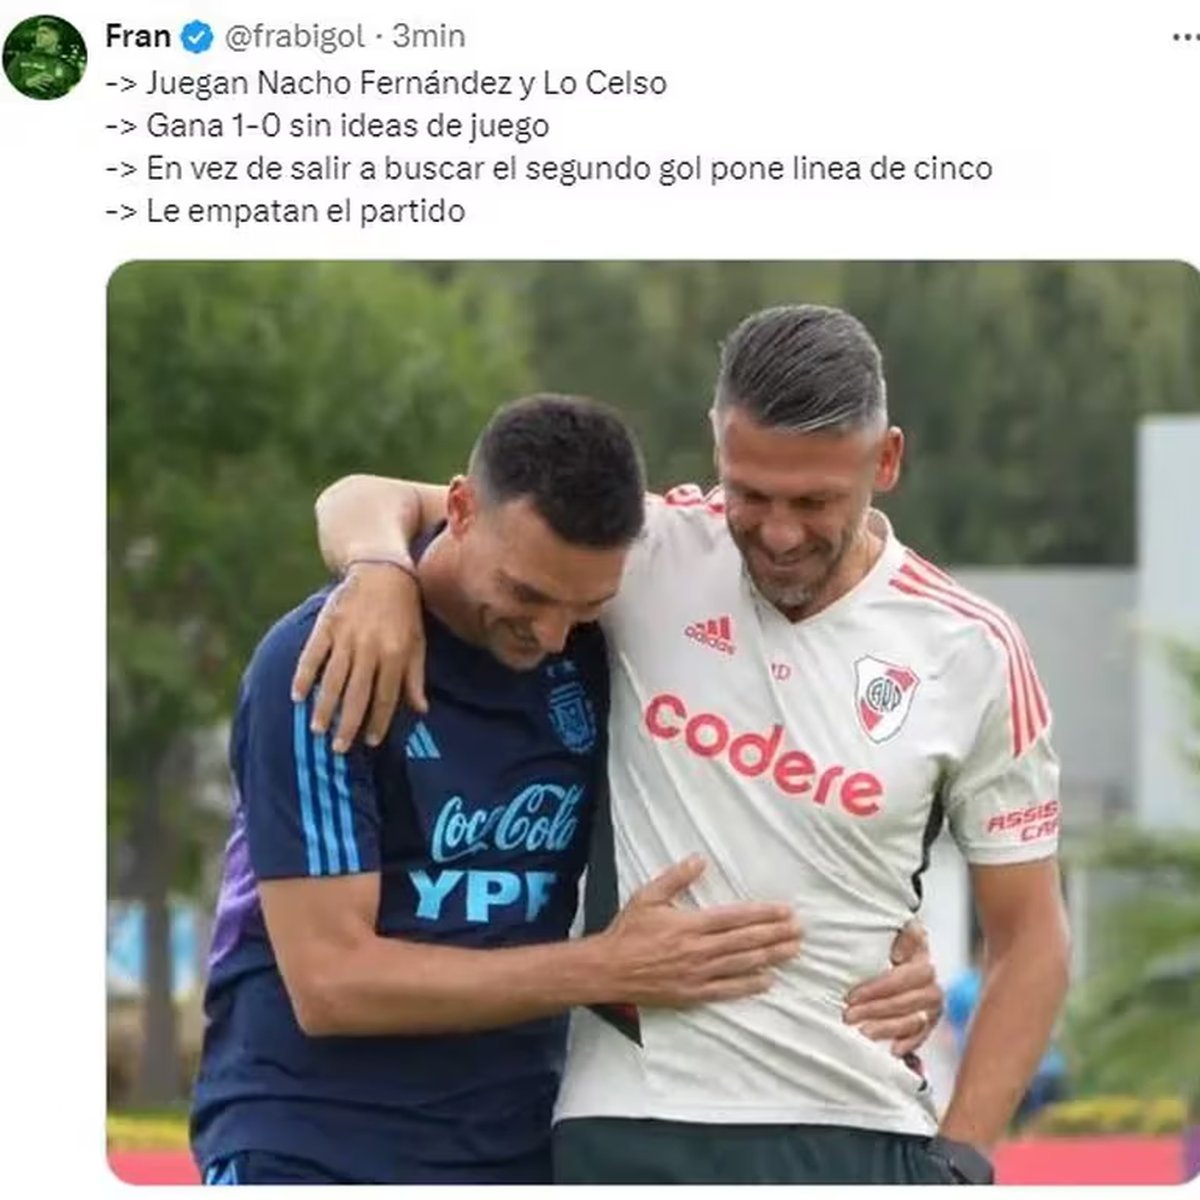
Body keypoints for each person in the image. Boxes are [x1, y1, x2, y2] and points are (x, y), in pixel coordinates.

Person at [296, 304, 1061, 1185]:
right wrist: (378, 572)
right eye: (751, 494)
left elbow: (1032, 937)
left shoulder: (972, 650)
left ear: (885, 461)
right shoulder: (647, 549)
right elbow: (366, 498)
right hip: (627, 1122)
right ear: (716, 443)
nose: (779, 532)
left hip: (857, 1124)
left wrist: (960, 1163)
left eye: (815, 502)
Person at [189, 394, 932, 1186]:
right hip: (308, 1143)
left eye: (586, 605)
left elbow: (751, 789)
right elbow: (332, 984)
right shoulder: (331, 657)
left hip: (524, 1146)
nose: (549, 635)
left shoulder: (598, 646)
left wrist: (873, 946)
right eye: (526, 595)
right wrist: (606, 968)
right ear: (461, 512)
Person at [4, 19, 80, 99]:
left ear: (56, 38)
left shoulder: (66, 66)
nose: (38, 36)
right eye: (37, 33)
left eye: (44, 33)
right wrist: (26, 83)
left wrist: (55, 84)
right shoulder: (20, 59)